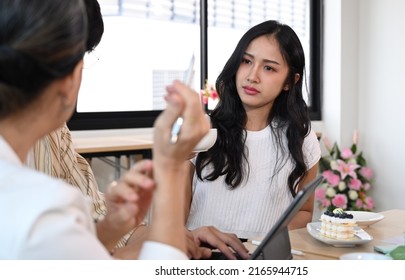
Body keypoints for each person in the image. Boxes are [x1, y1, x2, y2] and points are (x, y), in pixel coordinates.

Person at [24, 0, 248, 260]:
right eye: (79, 57)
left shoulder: (54, 130)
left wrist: (158, 235)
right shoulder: (19, 190)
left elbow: (93, 217)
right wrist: (170, 169)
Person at [185, 20, 321, 239]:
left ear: (290, 81)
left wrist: (264, 244)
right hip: (202, 257)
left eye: (268, 68)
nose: (252, 76)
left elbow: (304, 211)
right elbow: (175, 224)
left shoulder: (301, 138)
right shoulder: (202, 130)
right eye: (246, 61)